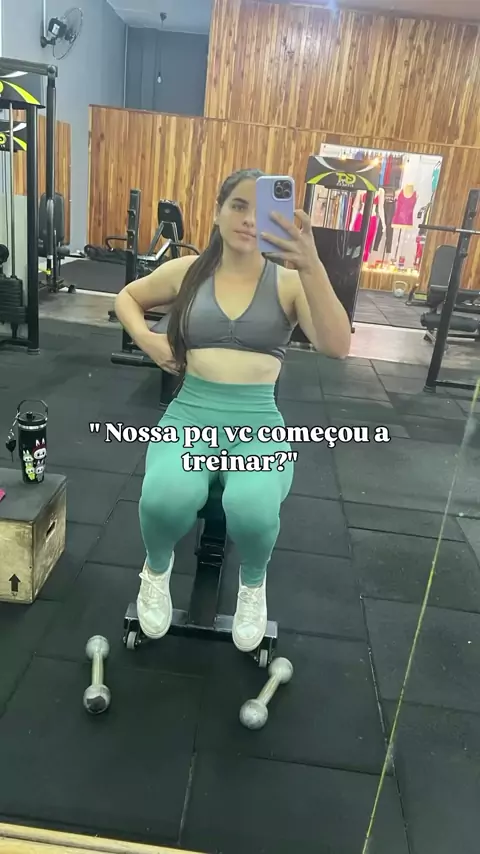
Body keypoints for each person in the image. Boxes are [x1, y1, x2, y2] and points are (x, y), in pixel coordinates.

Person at [114, 168, 351, 654]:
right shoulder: (189, 272)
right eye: (238, 206)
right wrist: (148, 341)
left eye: (260, 210)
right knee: (166, 495)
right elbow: (128, 298)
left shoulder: (288, 282)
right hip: (191, 413)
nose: (248, 219)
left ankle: (253, 584)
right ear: (218, 211)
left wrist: (311, 264)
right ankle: (155, 571)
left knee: (252, 505)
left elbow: (337, 345)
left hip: (257, 423)